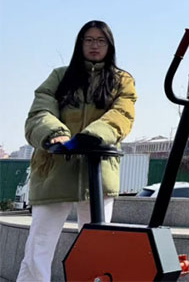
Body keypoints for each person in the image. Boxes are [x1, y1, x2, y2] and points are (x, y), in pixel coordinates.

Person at [17, 20, 137, 282]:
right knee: (39, 245)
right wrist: (55, 133)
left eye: (101, 40)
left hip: (98, 170)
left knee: (97, 250)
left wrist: (93, 136)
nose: (95, 45)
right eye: (89, 40)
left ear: (110, 46)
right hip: (54, 167)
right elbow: (40, 112)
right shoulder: (60, 77)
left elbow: (122, 114)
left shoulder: (122, 80)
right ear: (80, 43)